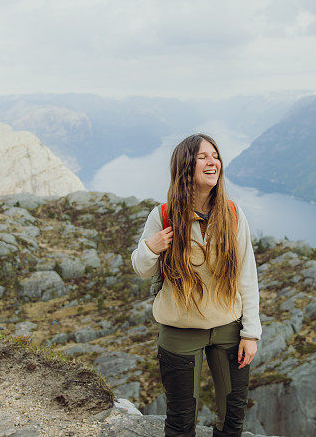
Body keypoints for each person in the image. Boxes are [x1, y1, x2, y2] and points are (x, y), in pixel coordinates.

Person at [131, 133, 262, 437]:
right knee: (181, 422)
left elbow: (247, 276)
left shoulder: (232, 214)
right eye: (203, 157)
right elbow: (141, 269)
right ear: (185, 166)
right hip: (179, 332)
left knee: (232, 418)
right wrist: (151, 247)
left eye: (215, 156)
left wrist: (251, 333)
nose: (212, 161)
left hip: (229, 328)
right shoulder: (162, 216)